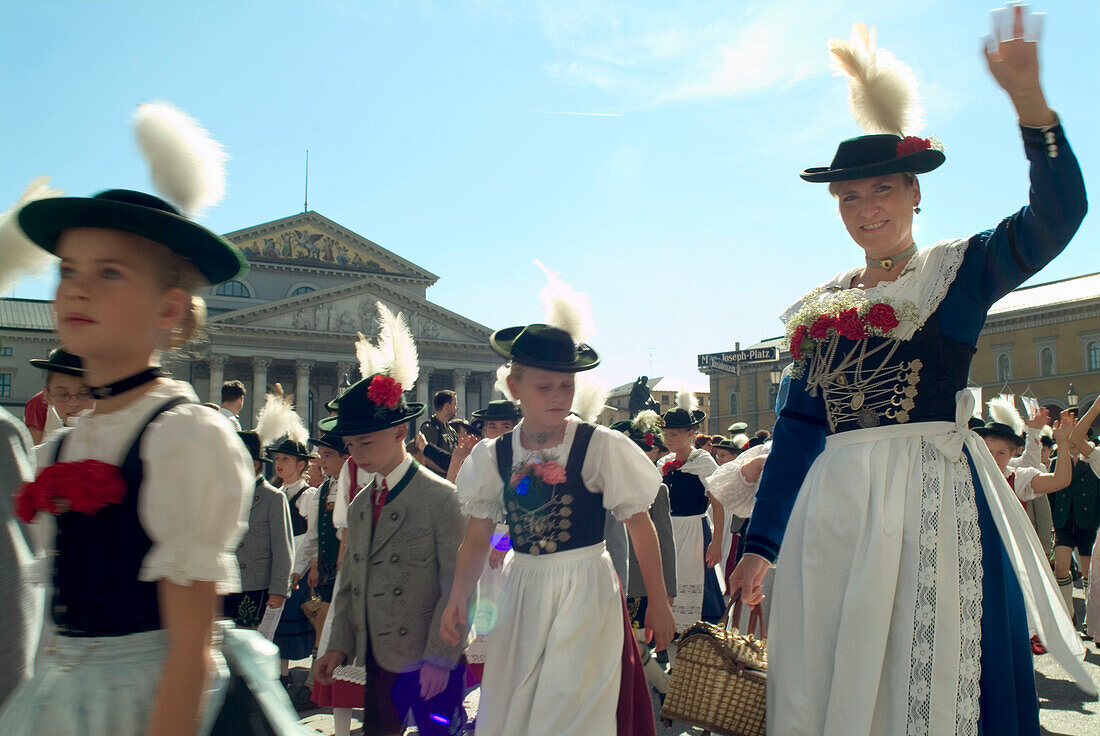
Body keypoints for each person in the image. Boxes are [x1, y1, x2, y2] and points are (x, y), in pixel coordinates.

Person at [728, 10, 1093, 734]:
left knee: (935, 673)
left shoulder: (957, 272)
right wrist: (760, 547)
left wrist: (1031, 106)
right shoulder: (818, 310)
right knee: (833, 671)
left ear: (915, 192)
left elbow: (1058, 216)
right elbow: (799, 429)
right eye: (851, 197)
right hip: (833, 514)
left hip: (932, 497)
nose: (867, 209)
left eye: (884, 190)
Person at [1, 101, 253, 736]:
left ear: (170, 308)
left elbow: (191, 652)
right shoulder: (64, 445)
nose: (76, 289)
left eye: (108, 273)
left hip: (145, 702)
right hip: (61, 702)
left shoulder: (184, 437)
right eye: (68, 272)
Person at [440, 319, 676, 736]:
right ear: (515, 387)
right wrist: (459, 595)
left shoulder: (598, 444)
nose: (558, 396)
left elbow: (640, 525)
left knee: (572, 705)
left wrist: (658, 599)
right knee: (516, 701)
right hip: (523, 589)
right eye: (544, 387)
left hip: (584, 588)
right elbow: (477, 536)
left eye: (566, 386)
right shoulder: (494, 454)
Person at [315, 305, 470, 736]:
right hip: (379, 659)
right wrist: (338, 645)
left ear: (401, 432)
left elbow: (458, 587)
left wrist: (441, 656)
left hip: (429, 661)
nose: (357, 454)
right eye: (350, 445)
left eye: (366, 442)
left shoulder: (441, 498)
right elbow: (350, 583)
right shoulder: (363, 503)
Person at [659, 390, 725, 631]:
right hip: (670, 532)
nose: (669, 439)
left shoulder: (703, 462)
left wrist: (716, 542)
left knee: (698, 584)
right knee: (670, 581)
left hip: (695, 530)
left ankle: (700, 635)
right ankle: (672, 633)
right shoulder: (663, 464)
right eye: (666, 434)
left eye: (674, 434)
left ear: (691, 433)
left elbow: (718, 504)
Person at [223, 431, 294, 631]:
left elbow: (283, 548)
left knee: (247, 643)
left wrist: (279, 590)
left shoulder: (273, 498)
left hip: (256, 586)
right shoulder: (227, 495)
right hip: (226, 583)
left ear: (254, 464)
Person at [266, 436, 317, 690]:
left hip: (296, 570)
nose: (279, 464)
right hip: (278, 568)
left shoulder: (308, 496)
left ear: (300, 465)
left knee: (288, 622)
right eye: (277, 459)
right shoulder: (277, 493)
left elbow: (310, 537)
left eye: (286, 459)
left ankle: (287, 675)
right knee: (274, 622)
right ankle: (280, 672)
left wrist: (297, 568)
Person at [27, 348, 93, 438]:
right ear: (47, 396)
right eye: (62, 395)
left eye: (83, 393)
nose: (73, 403)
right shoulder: (47, 450)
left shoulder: (115, 443)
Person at [422, 389, 459, 453]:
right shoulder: (429, 429)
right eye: (455, 405)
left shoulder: (452, 431)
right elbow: (427, 458)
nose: (457, 408)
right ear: (447, 406)